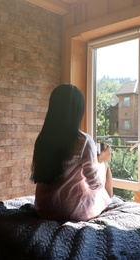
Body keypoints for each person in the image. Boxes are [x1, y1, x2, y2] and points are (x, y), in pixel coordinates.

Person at [31, 84, 113, 222]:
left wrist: (95, 160)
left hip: (43, 208)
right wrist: (101, 160)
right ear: (78, 111)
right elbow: (95, 184)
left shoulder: (43, 138)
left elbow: (65, 166)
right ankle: (111, 203)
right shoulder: (83, 140)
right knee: (105, 167)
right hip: (70, 212)